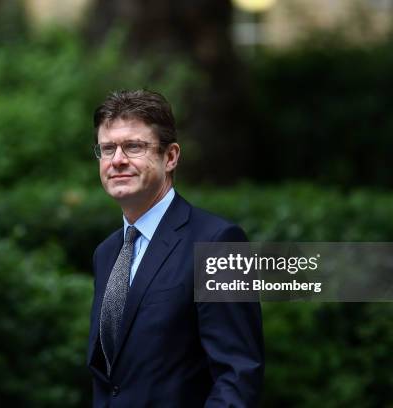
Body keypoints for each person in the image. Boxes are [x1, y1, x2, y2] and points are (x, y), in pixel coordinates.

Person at [87, 89, 264, 407]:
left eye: (133, 147)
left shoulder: (218, 243)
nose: (117, 160)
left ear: (170, 157)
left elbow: (238, 376)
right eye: (107, 148)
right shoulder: (106, 253)